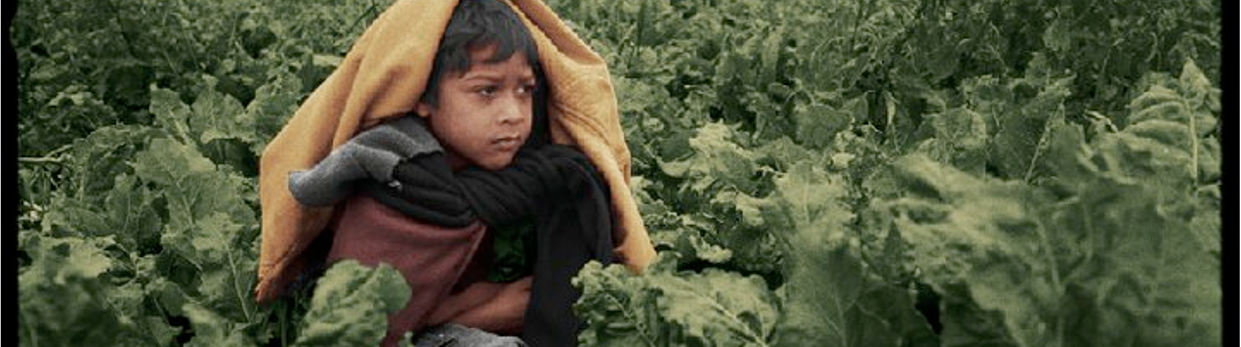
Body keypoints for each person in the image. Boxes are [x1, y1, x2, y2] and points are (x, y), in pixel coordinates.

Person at [252, 0, 658, 346]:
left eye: (525, 90)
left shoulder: (539, 171)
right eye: (486, 91)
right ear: (422, 97)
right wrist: (489, 310)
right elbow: (359, 329)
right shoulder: (398, 179)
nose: (514, 115)